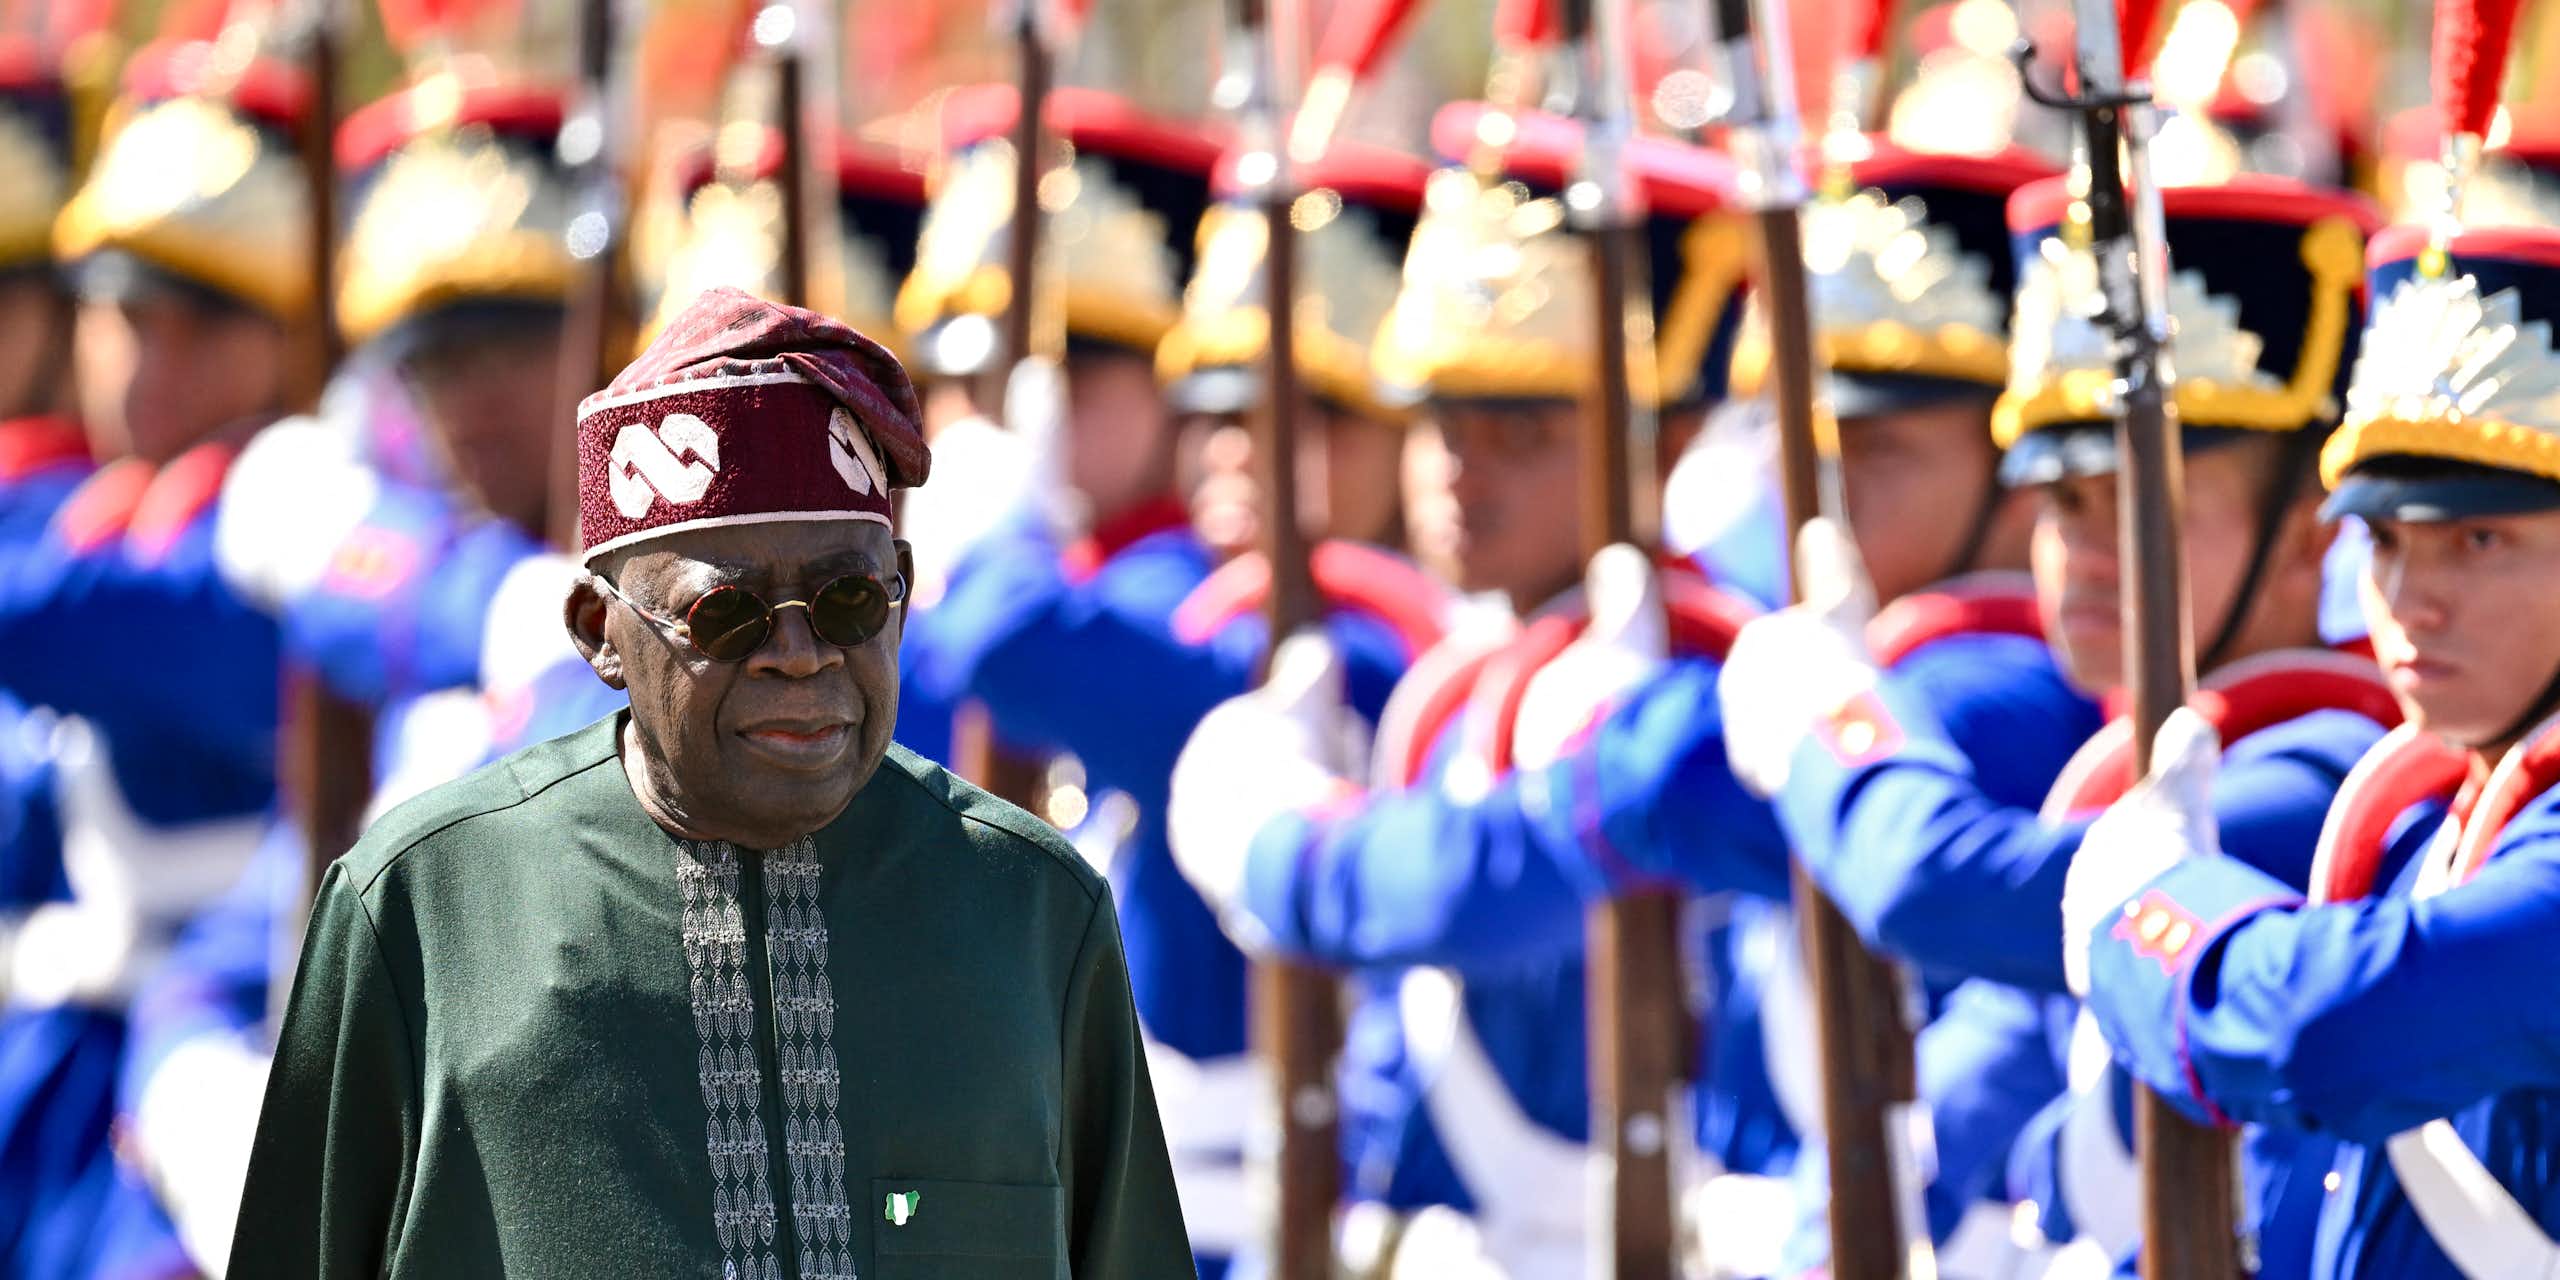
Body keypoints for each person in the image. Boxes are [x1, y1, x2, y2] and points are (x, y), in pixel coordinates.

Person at [229, 287, 1190, 1278]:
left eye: (850, 599)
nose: (799, 652)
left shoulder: (1032, 907)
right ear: (598, 632)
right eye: (726, 614)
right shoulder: (423, 905)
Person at [1719, 171, 2394, 1272]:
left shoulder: (2320, 779)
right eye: (2061, 500)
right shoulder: (2118, 775)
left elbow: (1950, 887)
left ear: (2309, 538)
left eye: (2141, 503)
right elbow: (1968, 1107)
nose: (2084, 548)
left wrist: (1831, 722)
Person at [2069, 221, 2560, 1278]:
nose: (2409, 599)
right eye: (2384, 540)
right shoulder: (2436, 816)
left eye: (2479, 540)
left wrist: (2147, 916)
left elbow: (2324, 1031)